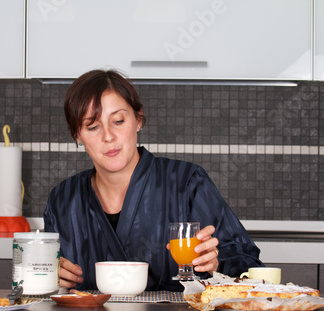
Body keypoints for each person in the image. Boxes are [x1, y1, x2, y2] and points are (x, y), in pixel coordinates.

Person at [43, 69, 263, 291]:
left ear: (138, 120)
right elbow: (44, 285)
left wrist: (218, 264)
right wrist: (49, 273)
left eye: (118, 121)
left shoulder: (187, 184)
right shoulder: (62, 201)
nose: (108, 136)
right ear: (78, 136)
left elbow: (252, 268)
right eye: (92, 126)